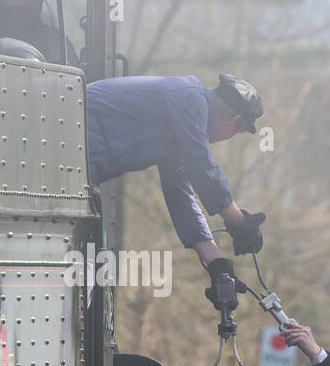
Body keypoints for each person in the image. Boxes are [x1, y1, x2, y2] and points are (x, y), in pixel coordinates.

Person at [85, 72, 266, 301]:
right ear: (235, 122)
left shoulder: (182, 125)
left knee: (88, 277)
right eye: (238, 131)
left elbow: (182, 198)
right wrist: (238, 220)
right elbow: (202, 166)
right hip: (65, 143)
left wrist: (217, 266)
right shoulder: (190, 97)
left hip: (78, 168)